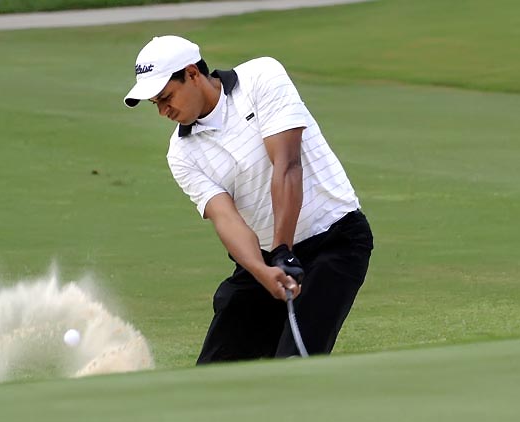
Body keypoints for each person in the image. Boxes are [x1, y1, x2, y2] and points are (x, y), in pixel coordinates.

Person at [124, 35, 373, 363]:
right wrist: (261, 268)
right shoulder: (181, 154)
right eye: (155, 104)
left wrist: (283, 250)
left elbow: (287, 165)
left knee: (293, 362)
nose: (163, 111)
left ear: (193, 74)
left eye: (166, 97)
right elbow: (225, 218)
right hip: (267, 259)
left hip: (334, 241)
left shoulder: (261, 77)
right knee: (215, 371)